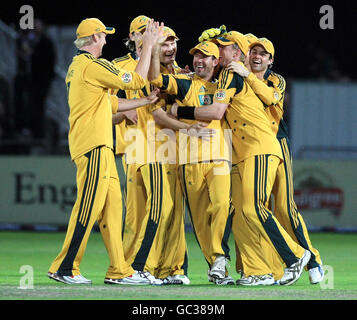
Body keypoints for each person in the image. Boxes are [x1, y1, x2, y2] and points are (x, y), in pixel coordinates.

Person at [170, 30, 311, 286]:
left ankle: (297, 255)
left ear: (237, 53)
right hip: (245, 153)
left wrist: (179, 110)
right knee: (245, 211)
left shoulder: (232, 73)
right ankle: (259, 271)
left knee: (254, 207)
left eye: (222, 48)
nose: (218, 52)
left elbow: (216, 110)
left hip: (258, 148)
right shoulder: (231, 74)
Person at [47, 17, 161, 285]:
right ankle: (64, 267)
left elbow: (108, 102)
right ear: (95, 38)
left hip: (99, 146)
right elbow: (134, 80)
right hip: (93, 144)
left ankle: (120, 270)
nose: (107, 39)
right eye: (104, 35)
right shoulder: (92, 65)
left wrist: (144, 101)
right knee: (88, 207)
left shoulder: (78, 68)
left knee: (112, 209)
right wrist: (148, 46)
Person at [228, 37, 324, 284]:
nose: (257, 57)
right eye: (253, 52)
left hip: (275, 142)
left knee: (283, 206)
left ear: (271, 61)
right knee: (254, 208)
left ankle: (311, 260)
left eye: (263, 54)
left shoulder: (275, 80)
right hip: (248, 147)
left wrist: (246, 75)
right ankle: (265, 268)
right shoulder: (237, 77)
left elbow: (271, 98)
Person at [112, 18, 190, 285]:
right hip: (137, 145)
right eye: (144, 33)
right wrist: (125, 109)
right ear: (132, 36)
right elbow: (107, 110)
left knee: (172, 210)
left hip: (170, 145)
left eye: (156, 34)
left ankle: (171, 269)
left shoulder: (178, 71)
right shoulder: (118, 67)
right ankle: (130, 269)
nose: (151, 37)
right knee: (140, 213)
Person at [150, 40, 235, 285]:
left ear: (215, 61)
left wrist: (180, 111)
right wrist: (155, 51)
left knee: (221, 205)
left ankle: (219, 257)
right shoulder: (185, 82)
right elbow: (156, 79)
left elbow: (218, 112)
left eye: (205, 57)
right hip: (190, 159)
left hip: (219, 155)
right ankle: (217, 268)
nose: (199, 60)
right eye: (196, 56)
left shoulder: (224, 84)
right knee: (199, 222)